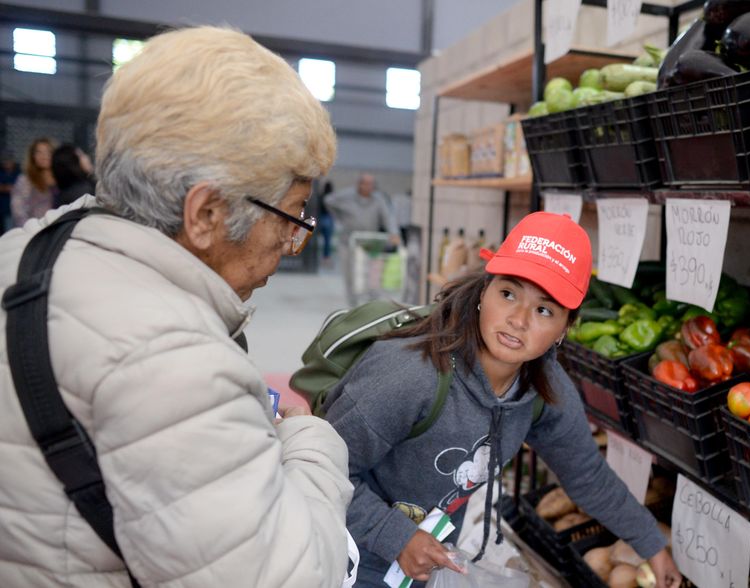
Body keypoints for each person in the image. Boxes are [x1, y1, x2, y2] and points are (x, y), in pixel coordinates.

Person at [0, 26, 355, 587]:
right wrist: (310, 443)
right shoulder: (173, 363)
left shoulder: (23, 253)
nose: (291, 244)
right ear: (206, 213)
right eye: (290, 216)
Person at [324, 211, 684, 587]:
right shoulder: (409, 376)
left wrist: (652, 546)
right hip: (340, 557)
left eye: (544, 309)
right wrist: (396, 536)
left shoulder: (543, 389)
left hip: (418, 568)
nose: (519, 319)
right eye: (508, 293)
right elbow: (324, 470)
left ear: (565, 327)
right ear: (484, 291)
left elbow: (587, 475)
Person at [325, 173, 400, 306]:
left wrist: (394, 233)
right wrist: (339, 218)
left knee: (372, 274)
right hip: (348, 242)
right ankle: (353, 305)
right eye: (365, 183)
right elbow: (328, 200)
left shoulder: (379, 200)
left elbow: (388, 218)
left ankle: (371, 303)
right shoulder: (347, 197)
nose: (368, 187)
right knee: (351, 275)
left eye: (371, 184)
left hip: (370, 243)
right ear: (359, 184)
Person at [10, 137, 56, 227]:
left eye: (48, 152)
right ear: (33, 156)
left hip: (61, 231)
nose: (44, 156)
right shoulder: (25, 180)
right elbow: (18, 211)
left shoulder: (62, 178)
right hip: (36, 231)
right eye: (39, 152)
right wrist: (29, 230)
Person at [0, 151, 19, 234]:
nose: (7, 162)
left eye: (9, 160)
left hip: (13, 210)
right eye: (5, 161)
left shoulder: (18, 173)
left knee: (10, 232)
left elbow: (20, 188)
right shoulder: (1, 172)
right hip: (3, 208)